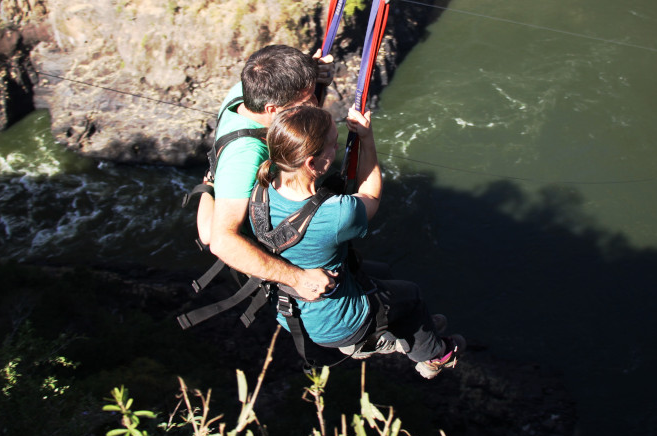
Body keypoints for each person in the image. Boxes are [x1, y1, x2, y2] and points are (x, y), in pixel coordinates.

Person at [255, 104, 465, 378]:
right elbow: (371, 196)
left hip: (289, 311)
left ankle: (399, 330)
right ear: (310, 162)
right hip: (335, 323)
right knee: (411, 295)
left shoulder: (259, 192)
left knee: (382, 273)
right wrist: (367, 138)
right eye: (333, 145)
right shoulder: (335, 214)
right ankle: (433, 356)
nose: (337, 148)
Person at [195, 45, 335, 302]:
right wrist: (299, 279)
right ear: (272, 109)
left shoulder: (246, 91)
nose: (315, 104)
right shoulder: (247, 156)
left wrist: (311, 71)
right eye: (305, 102)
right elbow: (221, 240)